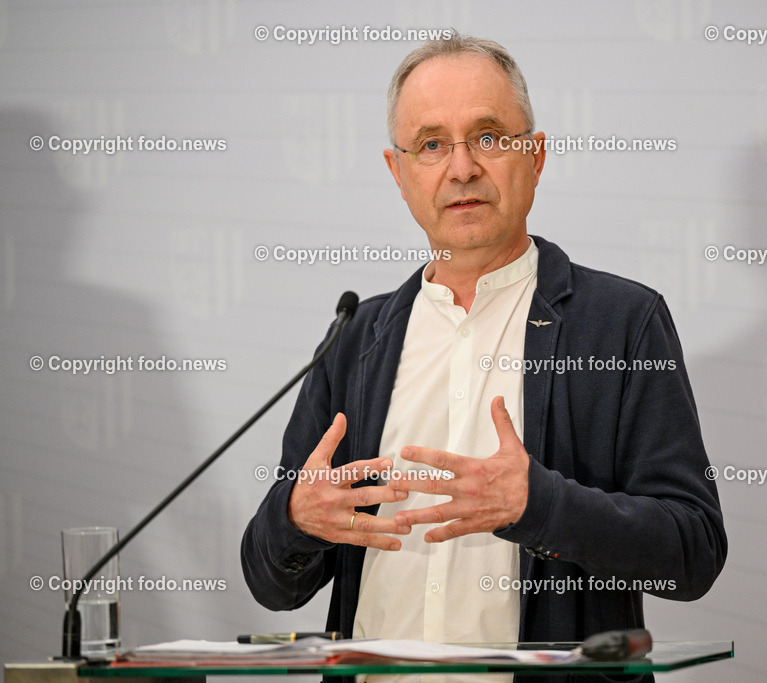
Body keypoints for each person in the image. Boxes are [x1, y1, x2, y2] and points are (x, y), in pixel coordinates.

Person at [241, 31, 726, 681]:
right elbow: (272, 583)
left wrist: (541, 505)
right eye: (431, 144)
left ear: (536, 155)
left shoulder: (621, 324)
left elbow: (692, 551)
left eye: (489, 137)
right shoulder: (355, 340)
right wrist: (296, 519)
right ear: (398, 173)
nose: (462, 167)